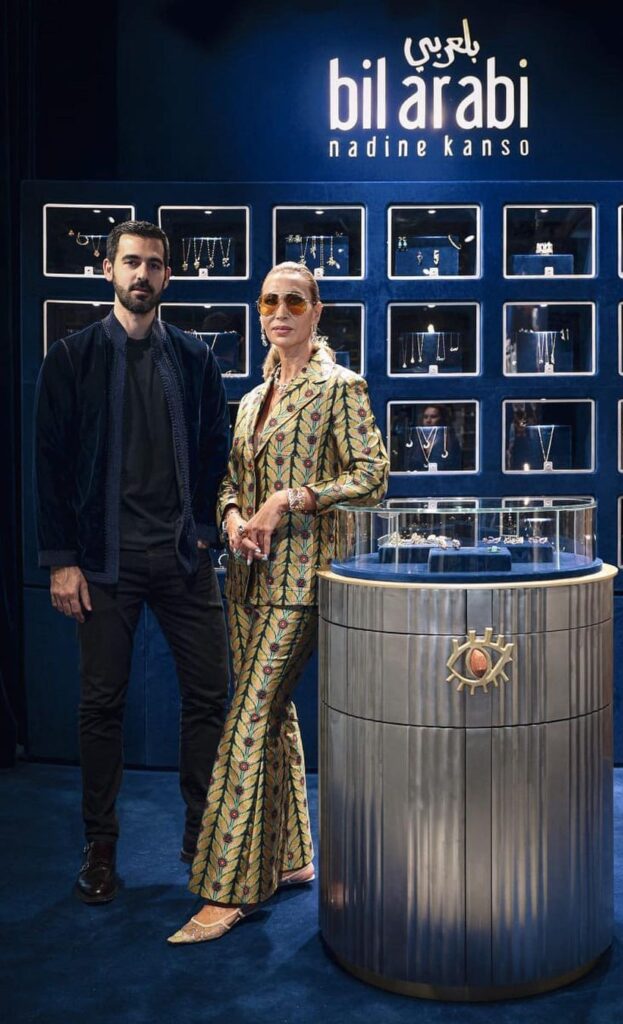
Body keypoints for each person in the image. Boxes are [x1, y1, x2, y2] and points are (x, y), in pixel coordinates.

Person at [168, 261, 389, 944]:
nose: (280, 312)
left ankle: (228, 891)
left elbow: (373, 475)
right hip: (245, 581)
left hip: (303, 582)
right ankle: (293, 858)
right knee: (275, 717)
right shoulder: (250, 399)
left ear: (317, 311)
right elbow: (228, 483)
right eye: (269, 301)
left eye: (294, 301)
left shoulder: (340, 386)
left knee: (248, 720)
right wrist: (235, 517)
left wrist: (291, 499)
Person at [34, 220, 231, 904]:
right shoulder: (71, 358)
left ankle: (202, 838)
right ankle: (100, 846)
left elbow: (214, 448)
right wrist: (61, 561)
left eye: (152, 263)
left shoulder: (194, 358)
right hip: (103, 563)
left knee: (209, 694)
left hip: (181, 559)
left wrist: (202, 532)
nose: (141, 274)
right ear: (109, 271)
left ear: (167, 276)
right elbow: (51, 465)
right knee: (101, 705)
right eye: (130, 262)